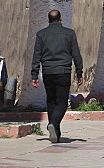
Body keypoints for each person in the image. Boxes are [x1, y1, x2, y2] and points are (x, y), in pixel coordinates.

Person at [30, 10, 83, 144]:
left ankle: (56, 134)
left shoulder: (41, 35)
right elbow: (76, 54)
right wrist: (79, 73)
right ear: (61, 19)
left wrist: (34, 74)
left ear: (48, 20)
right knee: (62, 102)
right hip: (63, 71)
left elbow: (37, 56)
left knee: (51, 101)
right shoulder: (69, 34)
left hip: (47, 72)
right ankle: (53, 124)